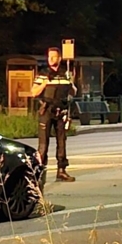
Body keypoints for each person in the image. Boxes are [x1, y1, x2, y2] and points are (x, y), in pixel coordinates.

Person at [30, 47, 77, 182]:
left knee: (62, 142)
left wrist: (71, 88)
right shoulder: (43, 73)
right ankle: (39, 173)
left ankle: (61, 171)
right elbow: (33, 92)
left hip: (61, 112)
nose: (51, 59)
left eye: (54, 57)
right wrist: (44, 83)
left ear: (59, 58)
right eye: (49, 56)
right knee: (43, 144)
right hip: (47, 111)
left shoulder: (65, 74)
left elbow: (73, 91)